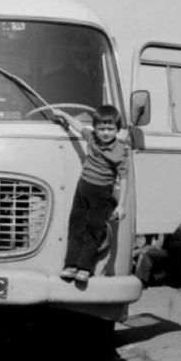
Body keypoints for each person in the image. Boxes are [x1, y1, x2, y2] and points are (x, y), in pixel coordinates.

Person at [53, 104, 131, 283]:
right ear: (95, 128)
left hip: (102, 193)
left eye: (110, 129)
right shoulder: (92, 138)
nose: (105, 133)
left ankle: (85, 268)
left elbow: (124, 178)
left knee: (95, 230)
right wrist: (63, 114)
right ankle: (70, 265)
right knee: (76, 225)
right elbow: (78, 126)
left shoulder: (121, 151)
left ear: (117, 130)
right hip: (83, 188)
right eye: (101, 128)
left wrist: (121, 205)